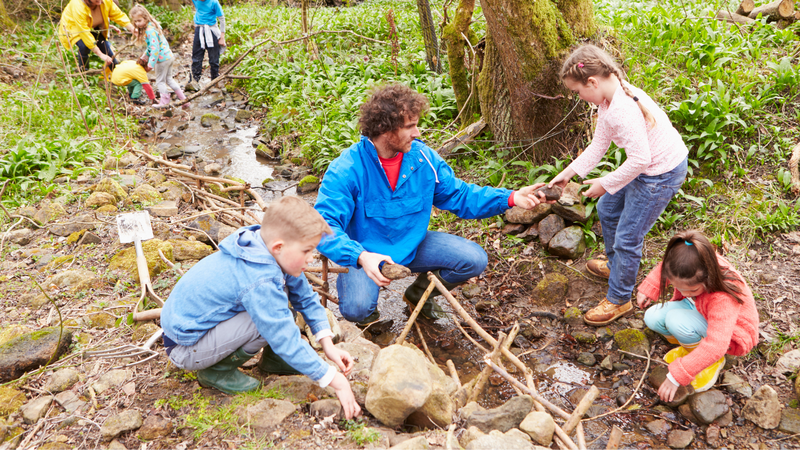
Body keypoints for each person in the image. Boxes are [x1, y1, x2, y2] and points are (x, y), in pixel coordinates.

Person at [315, 84, 550, 327]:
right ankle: (372, 324)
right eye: (409, 126)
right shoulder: (347, 168)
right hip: (366, 254)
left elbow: (460, 195)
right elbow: (322, 226)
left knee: (473, 259)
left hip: (412, 244)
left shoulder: (423, 158)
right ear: (385, 128)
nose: (417, 133)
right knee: (356, 308)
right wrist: (360, 256)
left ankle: (418, 294)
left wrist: (511, 198)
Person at [160, 196, 361, 419]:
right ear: (279, 246)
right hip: (184, 346)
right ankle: (215, 372)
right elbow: (282, 335)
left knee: (280, 299)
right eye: (306, 251)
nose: (311, 259)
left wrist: (328, 345)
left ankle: (274, 360)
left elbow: (305, 297)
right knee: (265, 319)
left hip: (197, 329)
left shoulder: (264, 248)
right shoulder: (259, 277)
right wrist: (335, 380)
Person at [547, 44, 689, 326]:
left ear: (592, 82)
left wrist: (605, 182)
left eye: (577, 92)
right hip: (645, 168)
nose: (579, 97)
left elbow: (640, 159)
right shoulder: (608, 100)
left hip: (660, 174)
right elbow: (599, 144)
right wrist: (569, 173)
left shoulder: (623, 109)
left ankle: (620, 298)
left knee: (627, 237)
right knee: (608, 209)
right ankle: (616, 267)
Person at [637, 230, 758, 400]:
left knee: (675, 321)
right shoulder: (693, 259)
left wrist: (677, 376)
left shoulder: (723, 297)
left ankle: (711, 362)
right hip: (700, 309)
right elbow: (667, 265)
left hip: (731, 332)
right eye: (679, 287)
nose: (684, 293)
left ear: (707, 277)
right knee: (652, 317)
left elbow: (717, 344)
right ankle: (691, 349)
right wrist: (649, 287)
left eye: (692, 289)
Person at [129, 4, 188, 108]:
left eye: (139, 20)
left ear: (145, 18)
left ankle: (164, 102)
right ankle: (185, 101)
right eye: (135, 21)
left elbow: (155, 49)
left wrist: (150, 64)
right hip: (168, 56)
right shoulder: (153, 25)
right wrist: (145, 56)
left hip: (161, 60)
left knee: (160, 81)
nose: (137, 24)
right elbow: (152, 46)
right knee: (169, 79)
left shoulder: (149, 31)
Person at [58, 0, 135, 71]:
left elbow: (118, 15)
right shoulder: (77, 5)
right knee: (84, 46)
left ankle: (116, 71)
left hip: (93, 26)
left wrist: (132, 28)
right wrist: (100, 54)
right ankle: (83, 72)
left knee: (105, 46)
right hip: (74, 28)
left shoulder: (105, 1)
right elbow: (84, 32)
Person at [186, 0, 226, 91]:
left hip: (211, 30)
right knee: (196, 57)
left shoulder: (214, 2)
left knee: (214, 59)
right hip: (199, 30)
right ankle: (194, 81)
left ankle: (214, 81)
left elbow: (221, 18)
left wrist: (222, 37)